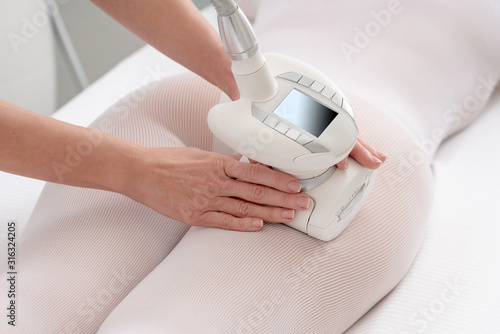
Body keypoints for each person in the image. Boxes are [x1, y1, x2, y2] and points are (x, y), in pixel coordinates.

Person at [3, 0, 497, 333]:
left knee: (26, 313)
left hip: (316, 143)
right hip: (325, 134)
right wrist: (136, 170)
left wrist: (247, 83)